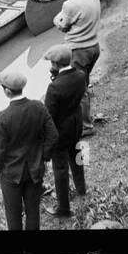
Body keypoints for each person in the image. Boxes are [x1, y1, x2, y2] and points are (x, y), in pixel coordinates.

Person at [0, 70, 58, 232]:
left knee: (13, 215)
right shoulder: (38, 107)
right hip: (34, 171)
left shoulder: (4, 117)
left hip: (11, 175)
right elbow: (53, 135)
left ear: (7, 92)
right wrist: (44, 156)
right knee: (33, 212)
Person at [52, 0, 102, 135]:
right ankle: (85, 118)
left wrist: (56, 20)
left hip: (80, 50)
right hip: (94, 47)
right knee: (83, 85)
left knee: (78, 91)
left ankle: (85, 127)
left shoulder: (69, 4)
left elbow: (63, 26)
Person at [43, 44, 88, 219]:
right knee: (78, 159)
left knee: (60, 170)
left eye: (52, 63)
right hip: (76, 127)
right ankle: (81, 188)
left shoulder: (54, 87)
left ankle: (63, 208)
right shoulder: (80, 76)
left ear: (56, 64)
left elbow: (49, 116)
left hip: (60, 134)